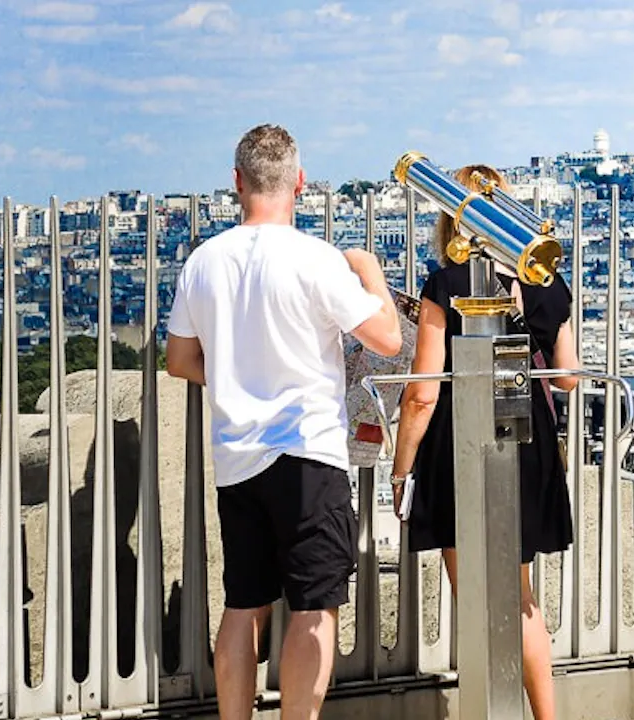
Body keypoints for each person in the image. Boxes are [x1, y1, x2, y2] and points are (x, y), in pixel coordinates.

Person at [165, 124, 402, 720]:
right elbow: (388, 339)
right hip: (307, 452)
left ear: (237, 182)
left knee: (243, 603)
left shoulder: (203, 261)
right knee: (315, 607)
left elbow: (179, 361)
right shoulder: (316, 259)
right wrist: (369, 271)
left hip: (236, 457)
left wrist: (233, 376)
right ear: (299, 181)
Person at [389, 165, 579, 720]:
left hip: (462, 440)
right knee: (520, 598)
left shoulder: (446, 283)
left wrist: (401, 472)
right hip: (528, 436)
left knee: (473, 593)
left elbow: (423, 392)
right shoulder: (547, 280)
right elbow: (567, 377)